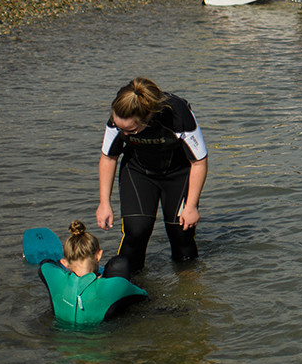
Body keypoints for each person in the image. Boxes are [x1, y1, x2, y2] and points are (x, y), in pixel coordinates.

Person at [97, 77, 208, 273]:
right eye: (119, 127)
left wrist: (191, 206)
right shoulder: (120, 118)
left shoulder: (177, 115)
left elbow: (199, 162)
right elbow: (109, 158)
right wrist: (104, 203)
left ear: (147, 117)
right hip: (138, 172)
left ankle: (189, 288)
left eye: (130, 130)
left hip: (178, 174)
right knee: (136, 231)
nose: (124, 133)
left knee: (181, 234)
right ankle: (125, 284)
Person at [38, 221, 147, 326]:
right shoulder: (114, 286)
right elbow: (143, 295)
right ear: (98, 255)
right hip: (98, 337)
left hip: (60, 337)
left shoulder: (56, 279)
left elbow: (45, 265)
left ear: (65, 262)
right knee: (119, 263)